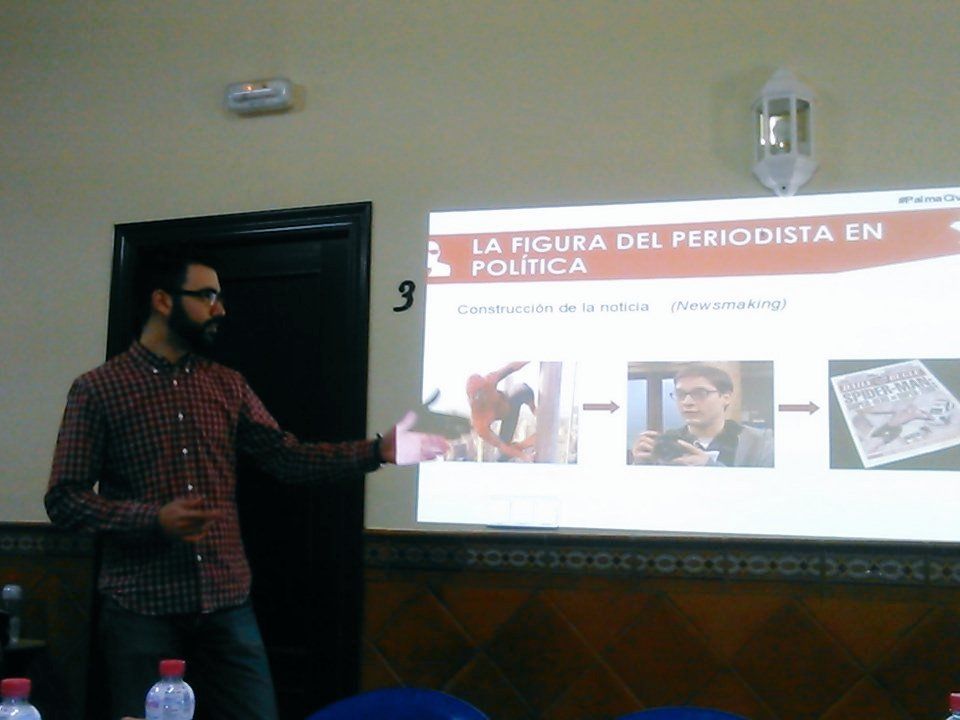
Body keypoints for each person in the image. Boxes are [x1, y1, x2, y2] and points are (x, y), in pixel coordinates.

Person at [44, 251, 448, 720]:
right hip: (140, 608)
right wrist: (152, 518)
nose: (220, 309)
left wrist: (377, 450)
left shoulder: (227, 385)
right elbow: (64, 500)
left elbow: (286, 458)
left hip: (225, 604)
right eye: (206, 296)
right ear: (162, 300)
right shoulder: (98, 389)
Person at [631, 363, 773, 467]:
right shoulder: (667, 444)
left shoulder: (758, 443)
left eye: (700, 393)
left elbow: (769, 489)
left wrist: (709, 467)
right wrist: (639, 465)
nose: (687, 402)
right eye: (680, 394)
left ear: (726, 397)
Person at [465, 361, 537, 461]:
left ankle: (535, 410)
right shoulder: (479, 422)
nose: (483, 396)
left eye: (483, 391)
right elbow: (501, 446)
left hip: (509, 400)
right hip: (507, 418)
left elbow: (511, 367)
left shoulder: (489, 380)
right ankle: (521, 446)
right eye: (477, 395)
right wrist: (524, 456)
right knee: (502, 456)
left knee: (523, 389)